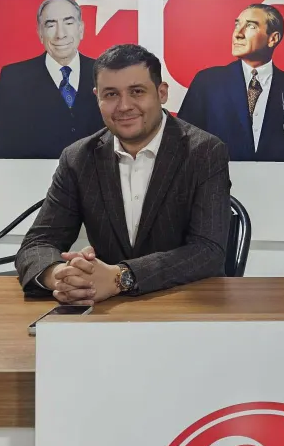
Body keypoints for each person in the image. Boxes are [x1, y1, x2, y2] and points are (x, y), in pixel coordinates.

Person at [15, 44, 231, 302]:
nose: (124, 106)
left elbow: (208, 251)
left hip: (184, 303)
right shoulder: (78, 157)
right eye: (111, 94)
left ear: (162, 93)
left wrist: (121, 277)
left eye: (137, 91)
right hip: (105, 307)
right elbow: (37, 243)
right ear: (97, 97)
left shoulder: (204, 151)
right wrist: (62, 276)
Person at [178, 4, 284, 162]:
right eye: (237, 25)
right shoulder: (207, 82)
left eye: (251, 26)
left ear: (273, 39)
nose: (237, 34)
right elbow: (182, 146)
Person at [0, 0, 104, 159]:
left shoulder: (105, 73)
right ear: (40, 33)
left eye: (68, 23)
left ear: (80, 29)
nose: (60, 34)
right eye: (51, 25)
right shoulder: (14, 78)